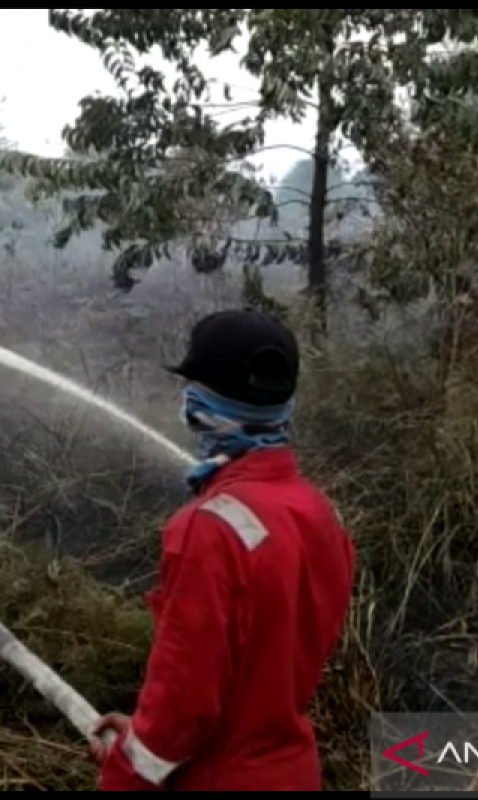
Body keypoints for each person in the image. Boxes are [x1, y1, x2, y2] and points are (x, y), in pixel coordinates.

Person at [89, 308, 357, 791]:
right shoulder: (319, 511)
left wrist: (124, 769)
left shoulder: (207, 530)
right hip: (293, 773)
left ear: (199, 404)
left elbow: (183, 705)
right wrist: (139, 734)